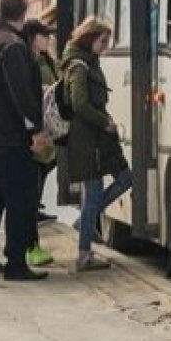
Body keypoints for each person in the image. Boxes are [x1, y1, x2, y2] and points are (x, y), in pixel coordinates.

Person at [0, 0, 51, 281]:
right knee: (21, 196)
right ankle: (16, 262)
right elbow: (22, 94)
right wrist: (36, 130)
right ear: (23, 14)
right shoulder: (13, 45)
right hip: (8, 133)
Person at [63, 17, 133, 273]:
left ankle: (84, 222)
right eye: (103, 40)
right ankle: (84, 255)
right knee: (93, 194)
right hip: (88, 139)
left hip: (98, 139)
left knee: (126, 178)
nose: (106, 46)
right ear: (90, 38)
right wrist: (104, 122)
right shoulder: (79, 65)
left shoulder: (88, 61)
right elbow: (79, 103)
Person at [22, 19, 58, 267]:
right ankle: (29, 246)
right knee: (29, 198)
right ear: (33, 37)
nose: (48, 39)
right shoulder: (27, 61)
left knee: (35, 196)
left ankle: (32, 244)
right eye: (44, 36)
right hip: (33, 137)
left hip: (46, 136)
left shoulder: (46, 60)